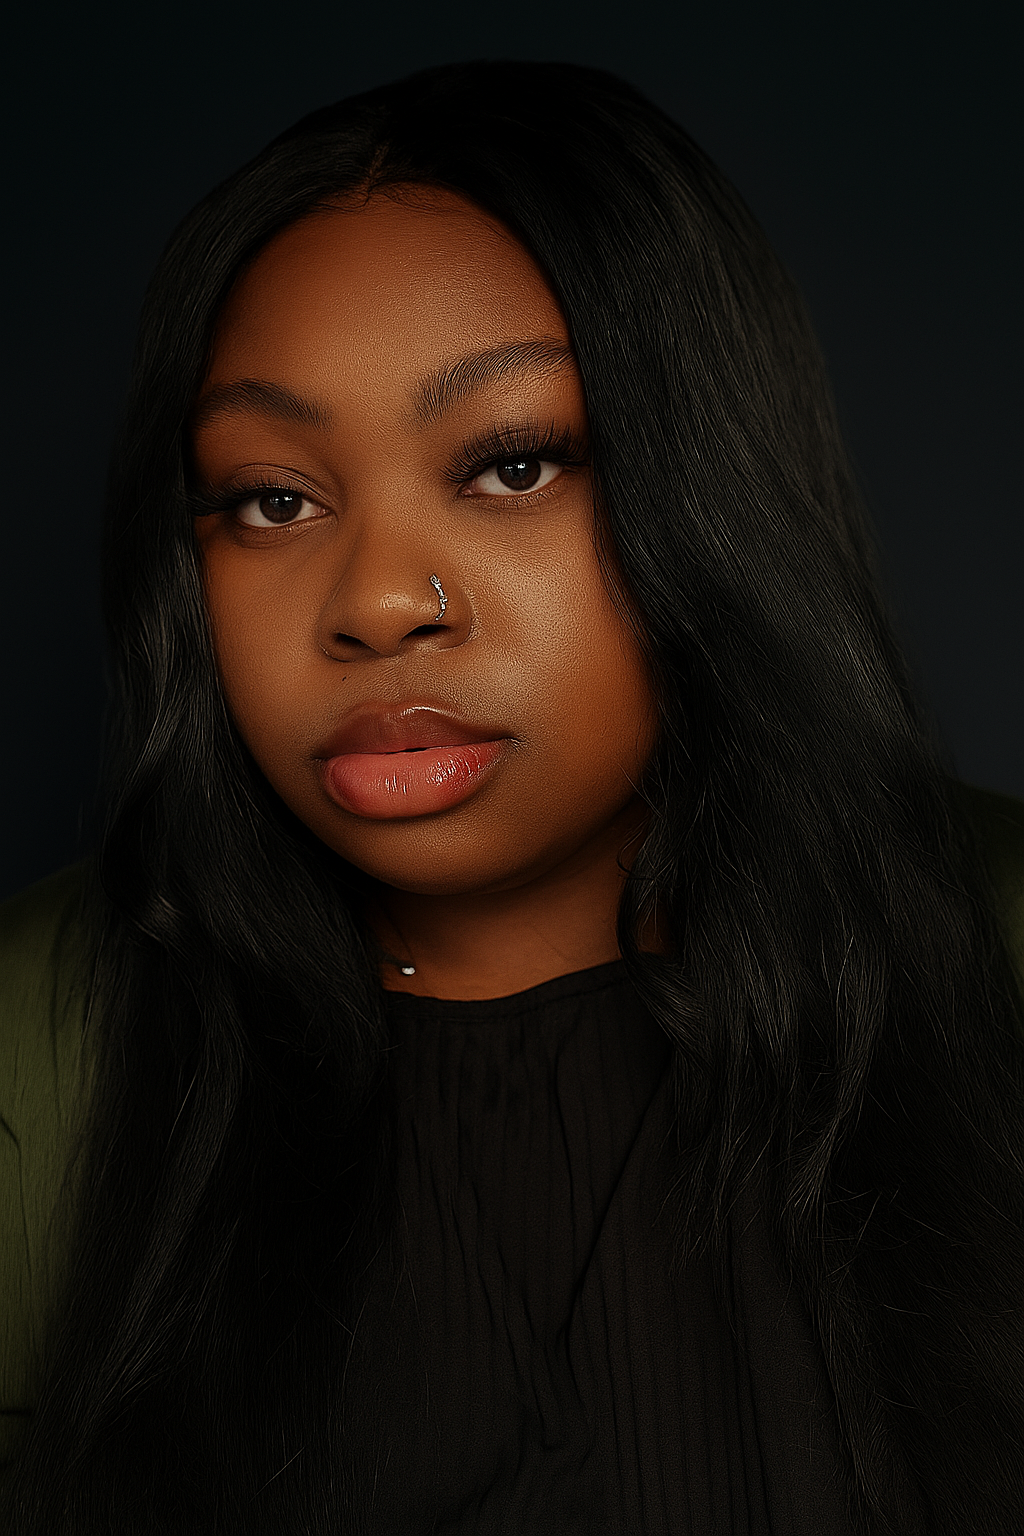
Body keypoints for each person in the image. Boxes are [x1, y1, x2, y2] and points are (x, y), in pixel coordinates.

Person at [1, 60, 1021, 1536]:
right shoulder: (49, 1044)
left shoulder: (992, 947)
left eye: (512, 464)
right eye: (272, 498)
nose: (375, 603)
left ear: (711, 487)